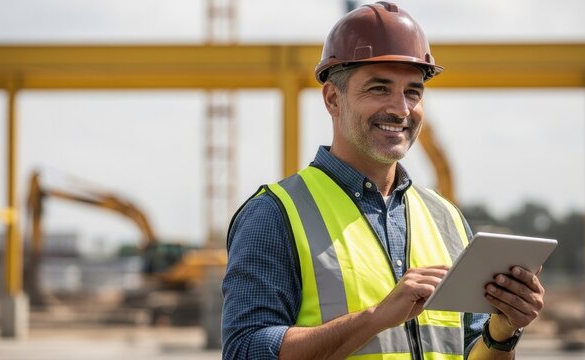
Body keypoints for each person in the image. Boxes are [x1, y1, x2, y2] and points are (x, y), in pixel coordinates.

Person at [222, 2, 545, 359]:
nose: (401, 109)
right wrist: (376, 318)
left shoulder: (447, 218)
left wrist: (501, 333)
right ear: (333, 98)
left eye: (413, 91)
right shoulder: (275, 215)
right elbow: (245, 350)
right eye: (379, 88)